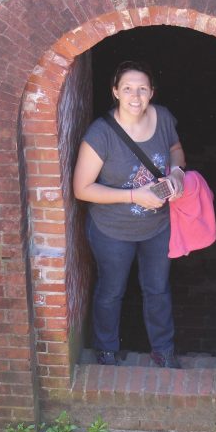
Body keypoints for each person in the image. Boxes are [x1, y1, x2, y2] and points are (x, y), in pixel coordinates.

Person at [73, 61, 188, 368]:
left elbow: (176, 148)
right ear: (115, 92)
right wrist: (135, 195)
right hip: (112, 230)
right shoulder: (101, 134)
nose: (135, 96)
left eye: (141, 89)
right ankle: (106, 350)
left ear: (151, 92)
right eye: (127, 89)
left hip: (158, 227)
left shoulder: (162, 117)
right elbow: (82, 189)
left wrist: (176, 173)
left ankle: (163, 350)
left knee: (158, 290)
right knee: (111, 290)